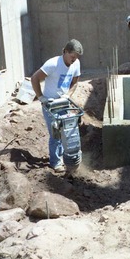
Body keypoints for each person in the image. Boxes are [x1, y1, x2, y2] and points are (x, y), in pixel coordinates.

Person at [30, 39, 83, 173]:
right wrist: (41, 97)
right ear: (65, 51)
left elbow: (75, 82)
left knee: (68, 132)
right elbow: (34, 78)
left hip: (64, 103)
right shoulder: (53, 64)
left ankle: (68, 159)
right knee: (55, 134)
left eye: (76, 57)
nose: (74, 59)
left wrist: (68, 95)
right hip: (51, 104)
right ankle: (55, 162)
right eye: (72, 56)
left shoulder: (76, 63)